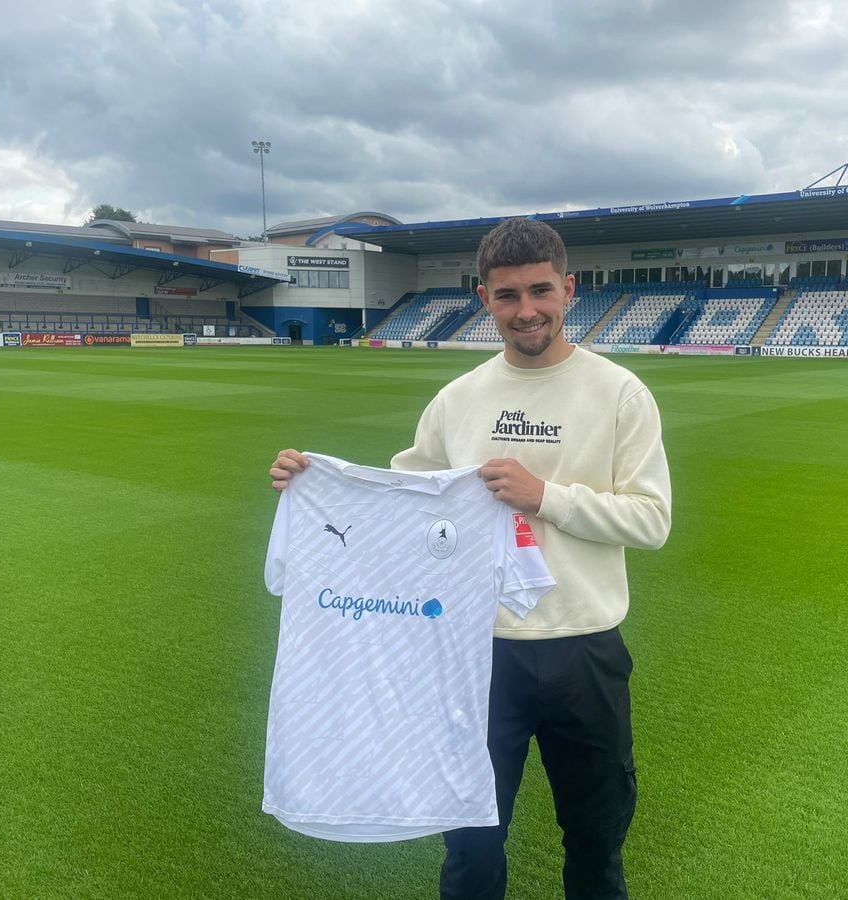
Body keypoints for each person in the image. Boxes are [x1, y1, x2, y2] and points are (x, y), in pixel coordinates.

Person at [269, 217, 671, 899]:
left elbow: (652, 520)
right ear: (483, 298)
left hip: (585, 650)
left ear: (569, 289)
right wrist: (313, 484)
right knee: (472, 849)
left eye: (540, 291)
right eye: (507, 296)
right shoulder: (459, 400)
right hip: (473, 654)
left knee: (597, 844)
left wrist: (544, 496)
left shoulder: (619, 393)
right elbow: (403, 502)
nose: (527, 311)